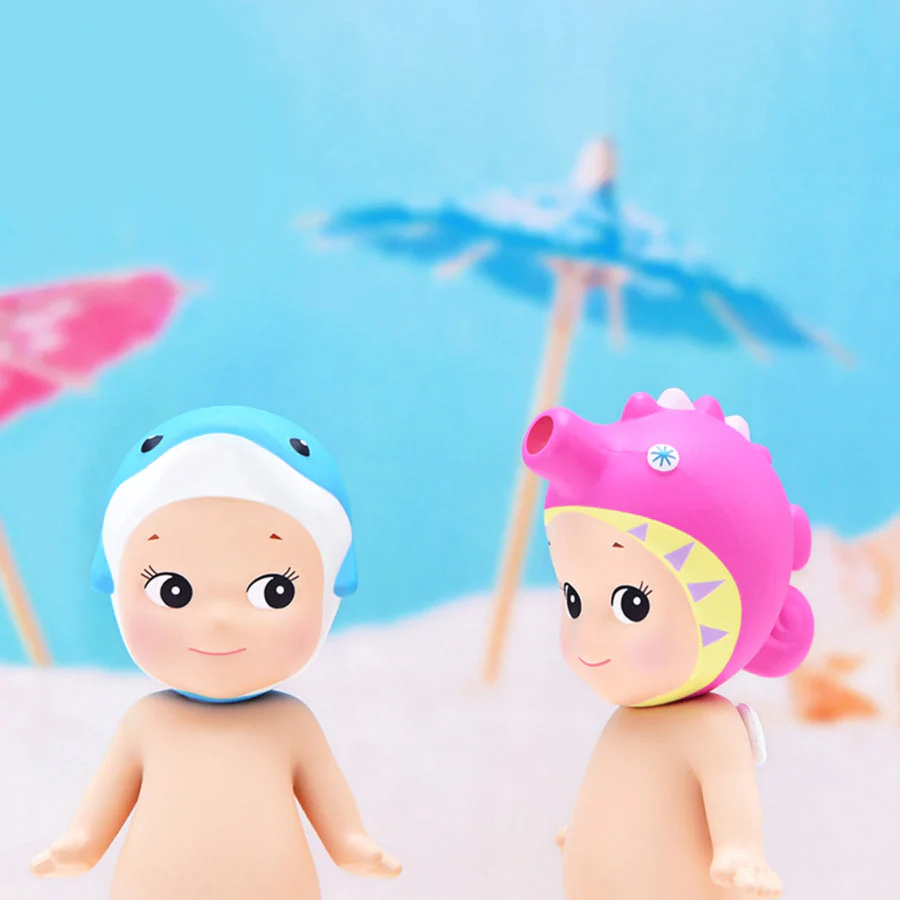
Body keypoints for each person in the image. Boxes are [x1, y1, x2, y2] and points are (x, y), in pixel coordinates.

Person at [31, 406, 401, 899]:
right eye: (172, 591)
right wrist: (77, 847)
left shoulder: (291, 725)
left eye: (275, 592)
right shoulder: (146, 723)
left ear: (331, 588)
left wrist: (355, 847)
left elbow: (339, 822)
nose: (218, 620)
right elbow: (94, 822)